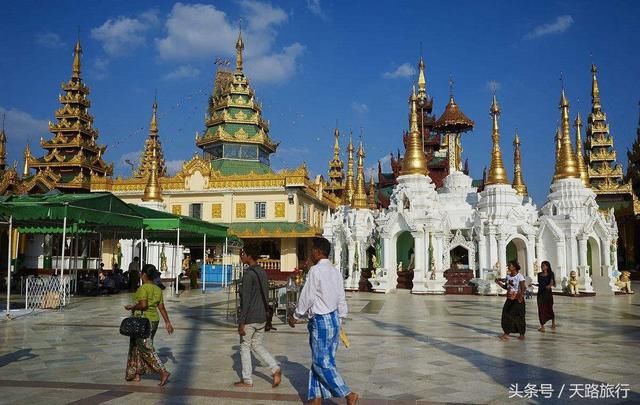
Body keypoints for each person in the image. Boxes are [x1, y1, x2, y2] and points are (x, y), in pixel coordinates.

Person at [288, 237, 359, 405]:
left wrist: (296, 315)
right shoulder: (335, 271)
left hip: (321, 320)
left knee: (321, 361)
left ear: (318, 252)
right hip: (334, 318)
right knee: (321, 359)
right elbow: (341, 297)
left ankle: (348, 394)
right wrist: (340, 318)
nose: (310, 252)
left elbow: (307, 296)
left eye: (312, 249)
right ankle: (316, 398)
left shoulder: (316, 271)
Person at [235, 245, 282, 388]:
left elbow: (246, 300)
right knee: (257, 345)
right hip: (262, 315)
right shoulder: (262, 272)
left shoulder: (248, 274)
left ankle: (247, 379)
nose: (241, 256)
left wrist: (241, 321)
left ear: (249, 256)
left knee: (245, 346)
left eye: (243, 253)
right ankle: (275, 368)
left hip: (250, 317)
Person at [124, 264, 173, 386]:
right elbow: (161, 307)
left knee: (145, 347)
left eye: (141, 272)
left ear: (144, 274)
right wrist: (167, 322)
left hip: (143, 321)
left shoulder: (143, 288)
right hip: (154, 320)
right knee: (136, 345)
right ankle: (136, 373)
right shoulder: (157, 289)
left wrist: (132, 306)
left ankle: (162, 372)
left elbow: (144, 305)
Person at [495, 260, 526, 341]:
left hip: (517, 299)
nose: (508, 267)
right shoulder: (508, 276)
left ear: (515, 267)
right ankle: (506, 332)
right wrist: (499, 283)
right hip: (509, 299)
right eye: (508, 265)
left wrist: (521, 296)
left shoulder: (520, 276)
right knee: (505, 315)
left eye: (510, 265)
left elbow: (523, 288)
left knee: (518, 316)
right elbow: (507, 287)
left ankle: (521, 334)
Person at [535, 261, 556, 332]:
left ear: (547, 266)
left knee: (549, 308)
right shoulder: (539, 274)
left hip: (547, 293)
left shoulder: (551, 274)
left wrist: (549, 286)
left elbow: (552, 282)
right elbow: (540, 284)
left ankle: (553, 322)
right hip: (540, 293)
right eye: (541, 265)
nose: (542, 267)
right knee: (541, 309)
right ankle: (542, 326)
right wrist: (533, 285)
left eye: (543, 265)